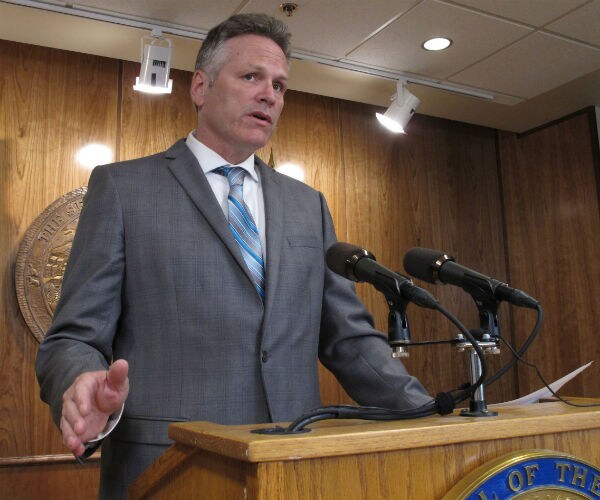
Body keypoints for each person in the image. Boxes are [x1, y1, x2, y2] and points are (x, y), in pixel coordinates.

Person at [36, 13, 432, 500]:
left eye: (280, 85)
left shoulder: (307, 205)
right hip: (169, 468)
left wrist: (429, 414)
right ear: (200, 87)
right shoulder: (123, 188)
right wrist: (79, 382)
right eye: (251, 77)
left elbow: (349, 339)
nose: (270, 95)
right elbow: (73, 336)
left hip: (291, 469)